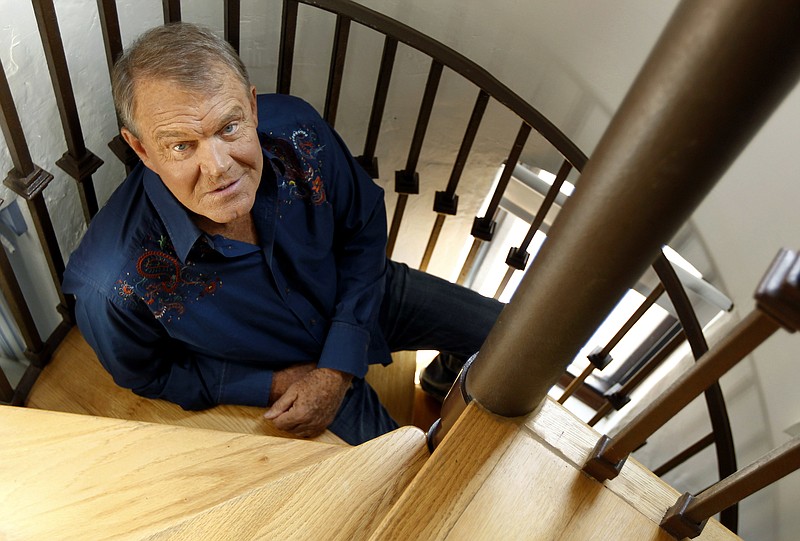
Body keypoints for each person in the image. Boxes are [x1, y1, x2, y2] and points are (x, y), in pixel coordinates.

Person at [63, 22, 502, 445]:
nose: (219, 167)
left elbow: (363, 225)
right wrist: (266, 383)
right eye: (181, 145)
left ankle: (445, 375)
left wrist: (337, 365)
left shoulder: (297, 130)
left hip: (361, 292)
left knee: (510, 335)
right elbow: (148, 373)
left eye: (229, 127)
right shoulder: (112, 284)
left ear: (253, 108)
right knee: (409, 483)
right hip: (284, 363)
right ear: (141, 149)